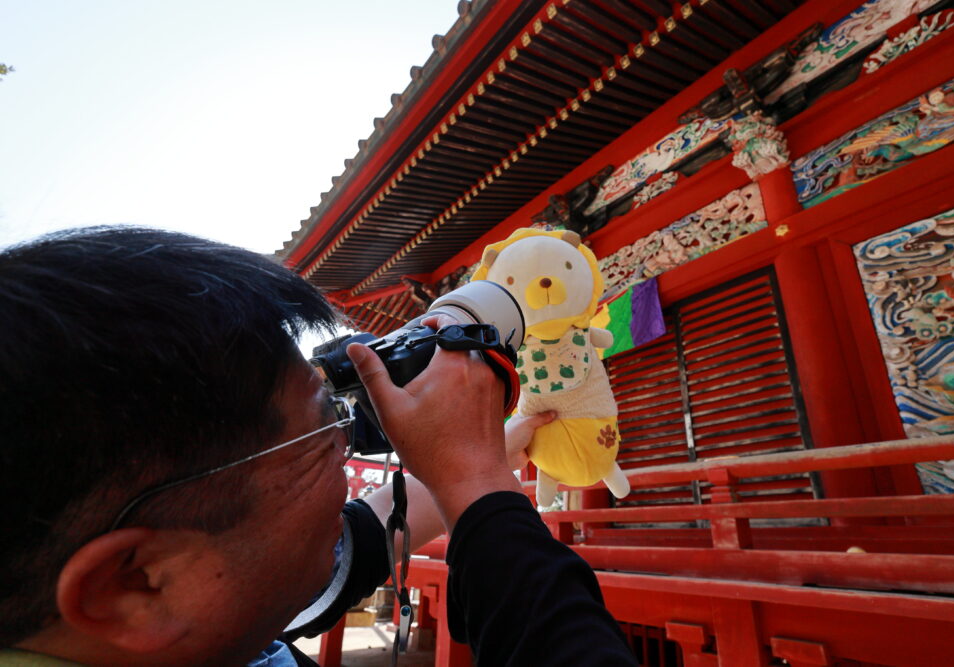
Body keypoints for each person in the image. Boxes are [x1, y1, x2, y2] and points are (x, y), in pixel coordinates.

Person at [0, 227, 636, 666]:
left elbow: (357, 541)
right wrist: (482, 488)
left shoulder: (202, 605)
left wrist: (481, 458)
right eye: (323, 422)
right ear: (137, 585)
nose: (345, 445)